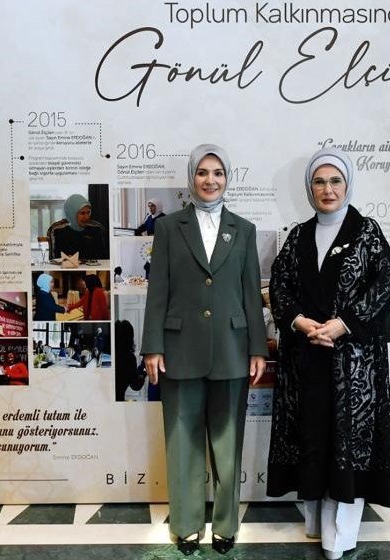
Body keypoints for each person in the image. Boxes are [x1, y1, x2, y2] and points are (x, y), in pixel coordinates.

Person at [267, 149, 390, 560]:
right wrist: (300, 322)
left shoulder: (367, 232)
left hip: (352, 364)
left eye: (335, 181)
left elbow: (384, 286)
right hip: (307, 360)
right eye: (319, 182)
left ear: (347, 185)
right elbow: (280, 284)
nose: (328, 189)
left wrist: (344, 324)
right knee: (313, 439)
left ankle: (338, 537)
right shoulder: (299, 235)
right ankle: (314, 523)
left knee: (346, 444)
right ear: (310, 188)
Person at [141, 144, 267, 555]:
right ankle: (186, 524)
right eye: (202, 172)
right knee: (182, 441)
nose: (210, 180)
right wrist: (152, 346)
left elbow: (251, 294)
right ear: (191, 177)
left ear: (227, 178)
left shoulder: (244, 230)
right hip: (178, 349)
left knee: (228, 446)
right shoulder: (168, 227)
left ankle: (226, 525)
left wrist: (257, 348)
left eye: (218, 173)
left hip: (232, 349)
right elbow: (158, 291)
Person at [49, 193, 109, 261]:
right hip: (69, 268)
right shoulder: (59, 233)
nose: (87, 217)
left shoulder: (96, 230)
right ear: (71, 214)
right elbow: (57, 260)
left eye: (88, 212)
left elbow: (103, 259)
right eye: (82, 213)